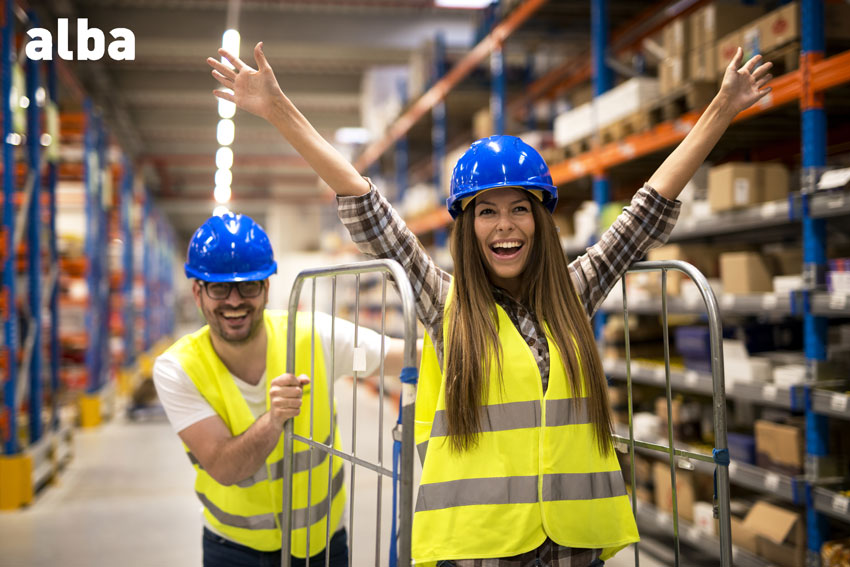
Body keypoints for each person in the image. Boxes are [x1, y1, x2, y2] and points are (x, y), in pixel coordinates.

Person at [207, 42, 772, 566]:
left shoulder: (573, 294)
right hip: (484, 546)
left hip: (574, 542)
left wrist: (720, 109)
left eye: (520, 209)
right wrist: (280, 110)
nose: (505, 226)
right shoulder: (444, 304)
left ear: (541, 221)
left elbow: (646, 211)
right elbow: (367, 207)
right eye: (486, 212)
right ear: (468, 227)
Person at [153, 212, 407, 567]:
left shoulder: (313, 336)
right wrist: (274, 420)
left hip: (321, 545)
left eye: (249, 286)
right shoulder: (177, 368)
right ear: (198, 292)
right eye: (219, 288)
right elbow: (225, 468)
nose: (235, 301)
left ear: (267, 288)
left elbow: (403, 355)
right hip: (233, 550)